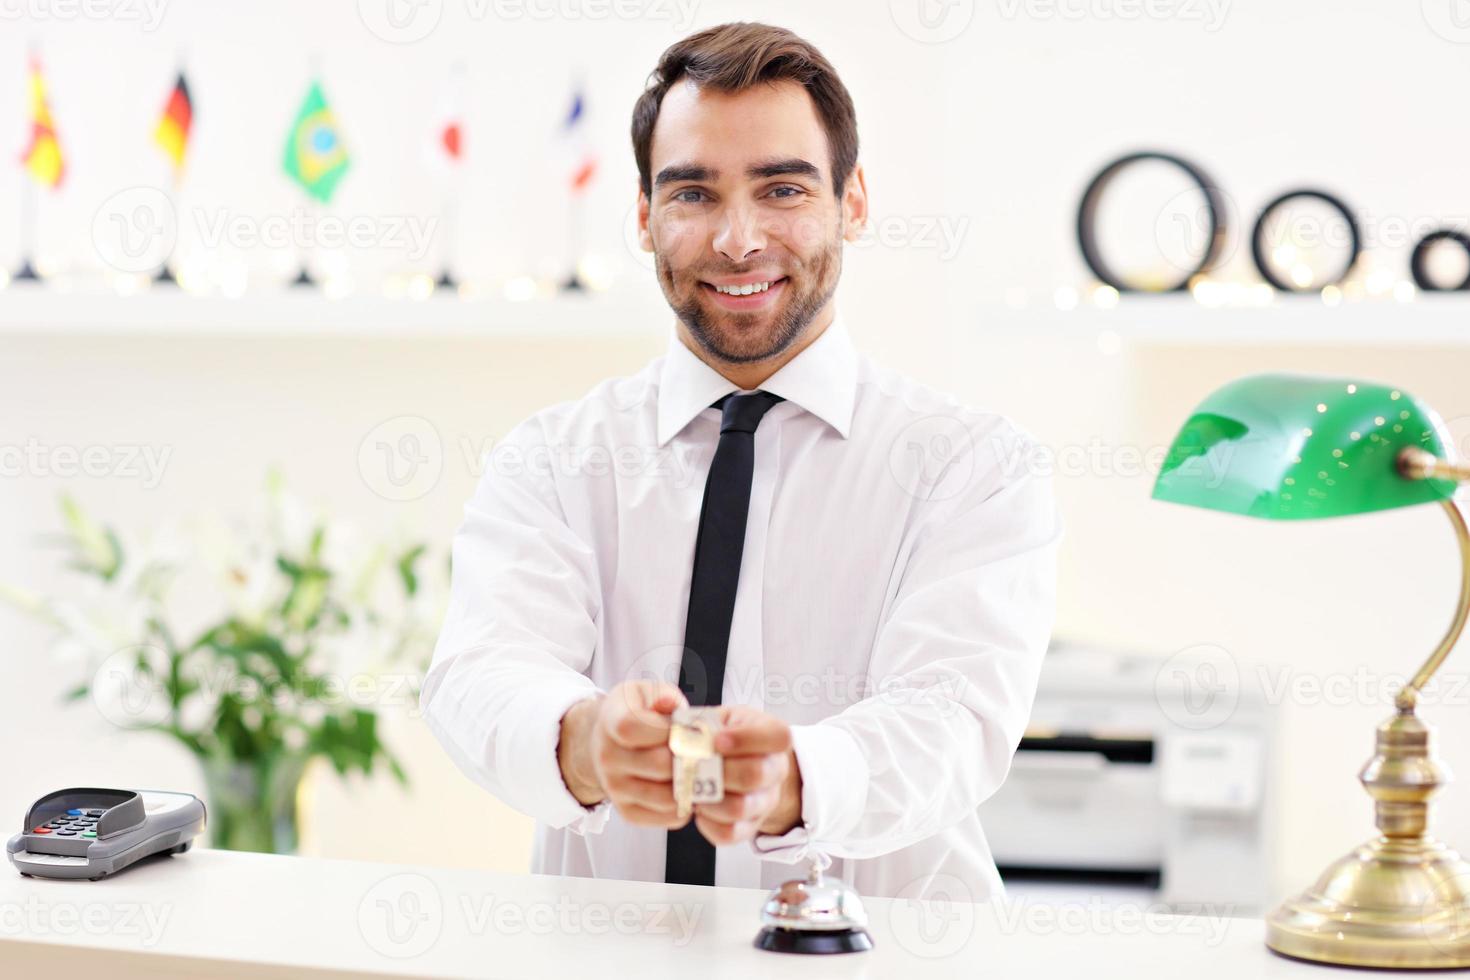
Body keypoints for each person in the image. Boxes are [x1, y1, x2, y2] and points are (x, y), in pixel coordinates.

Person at [421, 21, 1060, 900]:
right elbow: (479, 672)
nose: (737, 239)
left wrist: (795, 776)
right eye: (692, 194)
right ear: (645, 218)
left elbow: (954, 718)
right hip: (611, 958)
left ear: (854, 201)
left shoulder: (973, 467)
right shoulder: (554, 459)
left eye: (783, 190)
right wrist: (583, 740)